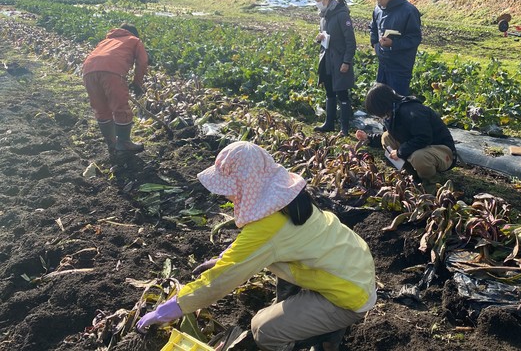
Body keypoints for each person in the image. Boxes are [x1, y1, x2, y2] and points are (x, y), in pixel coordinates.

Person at [136, 141, 376, 351]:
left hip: (348, 293)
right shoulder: (285, 196)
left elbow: (221, 281)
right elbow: (260, 245)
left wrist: (174, 306)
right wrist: (223, 258)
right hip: (351, 263)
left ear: (243, 185)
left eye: (228, 189)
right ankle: (323, 331)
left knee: (263, 330)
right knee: (281, 284)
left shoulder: (267, 226)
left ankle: (325, 333)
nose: (227, 196)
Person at [355, 83, 456, 191]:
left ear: (382, 105)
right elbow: (392, 135)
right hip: (422, 147)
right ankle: (413, 175)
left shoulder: (412, 111)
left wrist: (400, 152)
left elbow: (424, 138)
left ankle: (429, 184)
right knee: (386, 137)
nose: (379, 116)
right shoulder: (392, 113)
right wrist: (369, 138)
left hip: (442, 151)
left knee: (419, 156)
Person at [82, 23, 148, 154]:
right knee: (120, 108)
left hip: (88, 72)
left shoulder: (106, 41)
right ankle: (124, 142)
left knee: (101, 109)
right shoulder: (134, 40)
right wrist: (137, 83)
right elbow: (143, 62)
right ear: (133, 33)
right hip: (112, 72)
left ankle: (111, 143)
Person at [313, 0, 356, 135]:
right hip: (327, 61)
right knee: (330, 92)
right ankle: (329, 123)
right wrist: (319, 38)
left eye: (318, 0)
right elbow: (325, 37)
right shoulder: (324, 17)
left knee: (342, 94)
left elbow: (351, 42)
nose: (317, 3)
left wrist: (346, 61)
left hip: (340, 61)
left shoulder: (342, 15)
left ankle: (344, 128)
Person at [369, 0, 422, 96]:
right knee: (381, 101)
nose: (378, 0)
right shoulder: (377, 9)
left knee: (398, 101)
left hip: (400, 66)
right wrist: (375, 44)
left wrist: (393, 43)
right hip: (383, 64)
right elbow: (373, 28)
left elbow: (415, 38)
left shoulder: (409, 11)